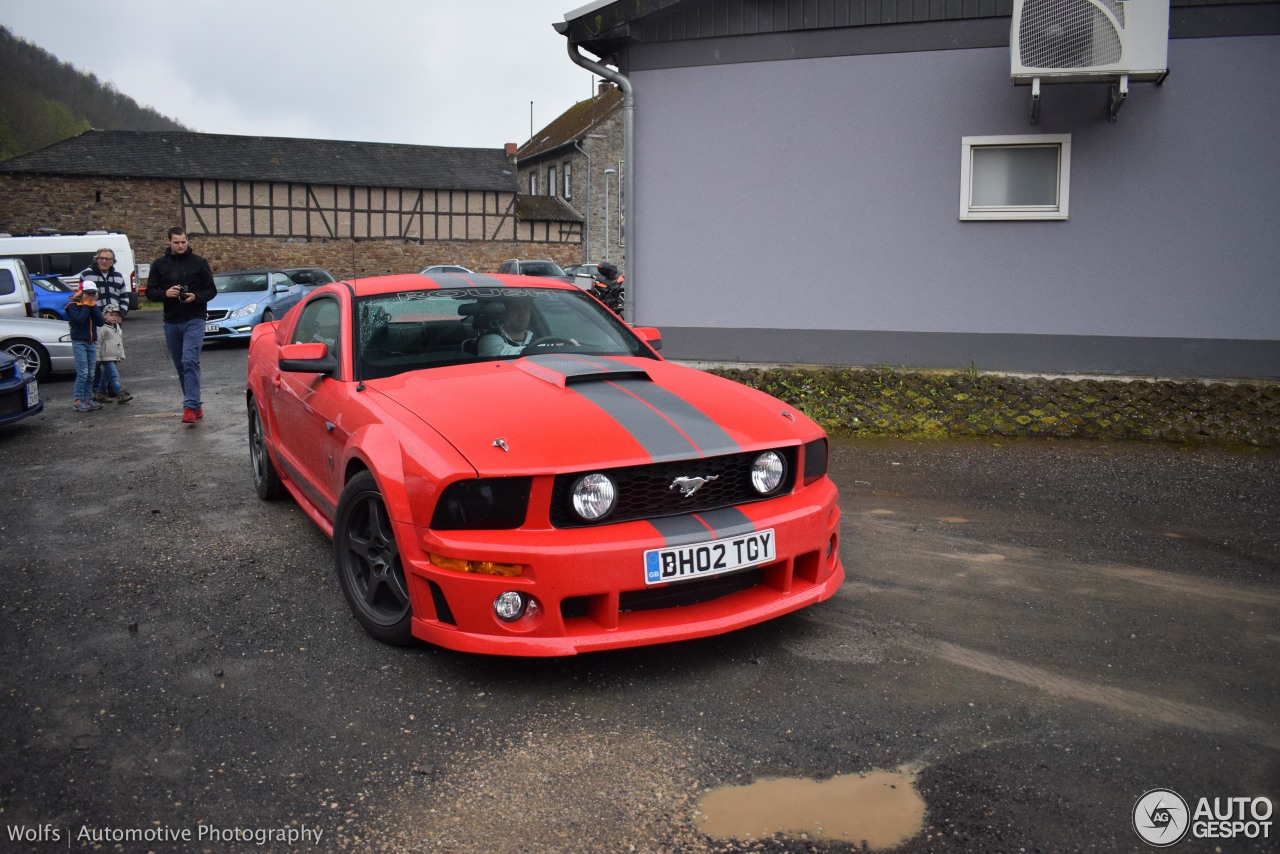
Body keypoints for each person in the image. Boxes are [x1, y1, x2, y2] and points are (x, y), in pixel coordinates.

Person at [146, 227, 216, 424]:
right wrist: (165, 294)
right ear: (169, 241)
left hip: (195, 317)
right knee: (181, 366)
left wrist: (196, 297)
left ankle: (190, 406)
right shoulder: (159, 264)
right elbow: (150, 292)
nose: (181, 245)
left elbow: (211, 290)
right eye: (177, 242)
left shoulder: (199, 263)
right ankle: (195, 405)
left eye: (183, 241)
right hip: (171, 321)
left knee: (190, 361)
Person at [66, 281, 105, 412]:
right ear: (81, 293)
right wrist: (87, 306)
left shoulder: (92, 305)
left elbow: (100, 322)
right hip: (79, 342)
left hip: (91, 341)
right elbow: (80, 320)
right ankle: (78, 400)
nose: (91, 296)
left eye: (93, 293)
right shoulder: (73, 306)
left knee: (91, 373)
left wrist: (92, 307)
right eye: (88, 293)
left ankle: (88, 398)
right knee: (83, 373)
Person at [92, 304, 132, 404]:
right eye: (111, 315)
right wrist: (96, 357)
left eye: (116, 315)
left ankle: (100, 393)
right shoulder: (102, 327)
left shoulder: (117, 327)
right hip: (105, 356)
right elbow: (98, 343)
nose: (114, 317)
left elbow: (119, 342)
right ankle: (119, 393)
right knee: (114, 375)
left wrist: (121, 354)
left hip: (114, 355)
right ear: (104, 315)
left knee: (106, 376)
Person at [78, 248, 129, 319]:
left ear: (112, 261)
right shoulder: (86, 275)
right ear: (97, 260)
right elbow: (81, 297)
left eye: (107, 259)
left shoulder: (118, 276)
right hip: (95, 319)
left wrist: (121, 315)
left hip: (114, 319)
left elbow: (124, 297)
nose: (104, 261)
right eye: (101, 258)